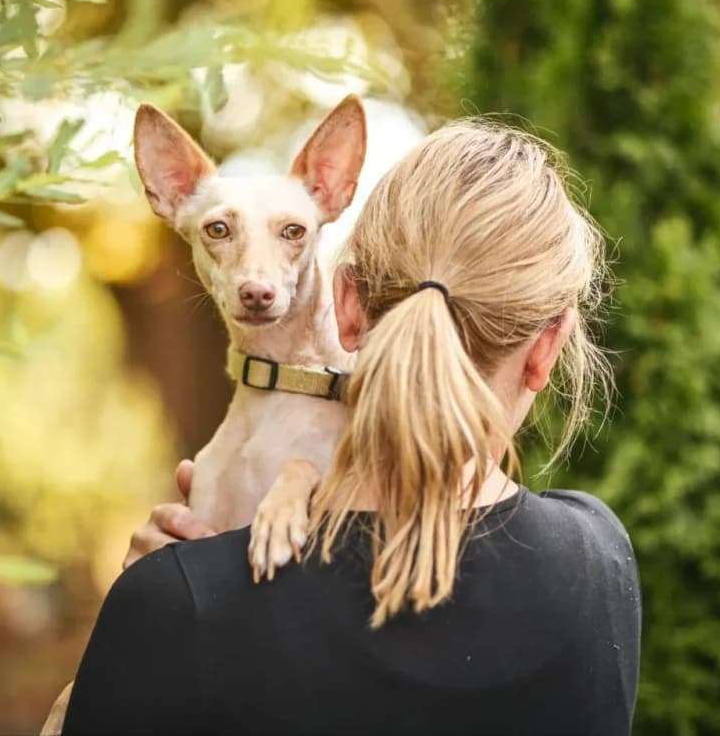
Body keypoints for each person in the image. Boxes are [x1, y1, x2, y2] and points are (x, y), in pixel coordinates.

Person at [62, 120, 641, 736]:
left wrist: (157, 603)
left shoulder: (176, 598)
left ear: (347, 306)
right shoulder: (599, 559)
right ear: (547, 347)